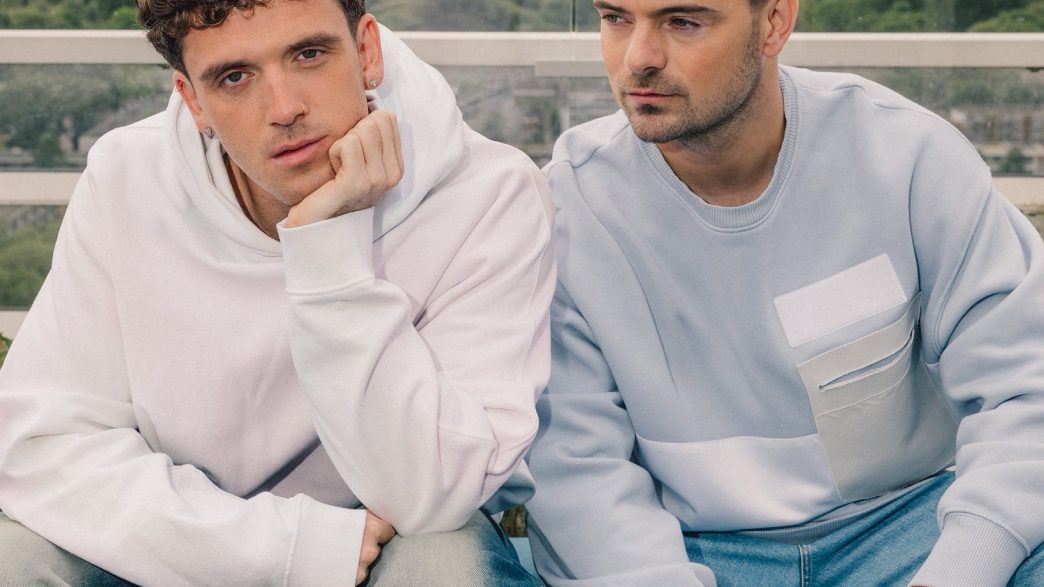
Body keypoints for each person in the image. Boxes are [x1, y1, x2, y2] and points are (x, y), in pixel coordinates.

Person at [0, 0, 554, 584]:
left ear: (367, 51)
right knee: (15, 560)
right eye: (234, 77)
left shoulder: (490, 194)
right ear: (193, 101)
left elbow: (434, 494)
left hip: (392, 545)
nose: (285, 109)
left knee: (447, 564)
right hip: (195, 539)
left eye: (309, 54)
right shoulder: (128, 177)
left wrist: (327, 250)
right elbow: (41, 444)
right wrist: (285, 548)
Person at [524, 0, 1044, 585]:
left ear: (774, 22)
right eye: (615, 18)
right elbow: (576, 471)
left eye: (683, 22)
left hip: (908, 528)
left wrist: (961, 570)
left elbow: (1026, 392)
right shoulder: (568, 209)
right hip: (683, 548)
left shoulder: (908, 157)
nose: (638, 57)